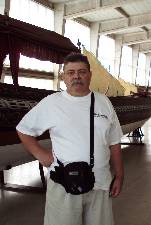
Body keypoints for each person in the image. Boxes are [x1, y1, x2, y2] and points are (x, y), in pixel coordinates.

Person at [16, 53, 124, 225]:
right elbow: (23, 129)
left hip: (100, 182)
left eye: (82, 72)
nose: (76, 76)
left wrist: (119, 175)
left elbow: (114, 141)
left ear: (90, 74)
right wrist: (41, 155)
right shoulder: (51, 103)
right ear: (63, 76)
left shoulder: (104, 103)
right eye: (71, 72)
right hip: (63, 183)